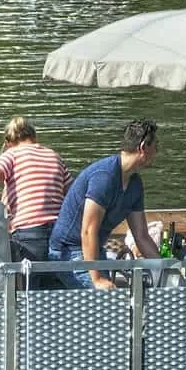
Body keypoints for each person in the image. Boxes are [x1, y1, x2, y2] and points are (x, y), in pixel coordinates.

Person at [48, 119, 162, 290]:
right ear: (144, 146)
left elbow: (142, 236)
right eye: (156, 145)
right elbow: (88, 230)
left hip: (95, 251)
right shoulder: (104, 176)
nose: (157, 150)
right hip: (67, 252)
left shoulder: (135, 184)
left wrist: (164, 269)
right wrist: (96, 279)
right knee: (107, 302)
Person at [0, 116, 72, 289]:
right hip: (59, 231)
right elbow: (72, 192)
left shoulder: (11, 155)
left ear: (9, 142)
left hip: (28, 233)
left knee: (29, 293)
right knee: (54, 292)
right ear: (34, 135)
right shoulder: (54, 155)